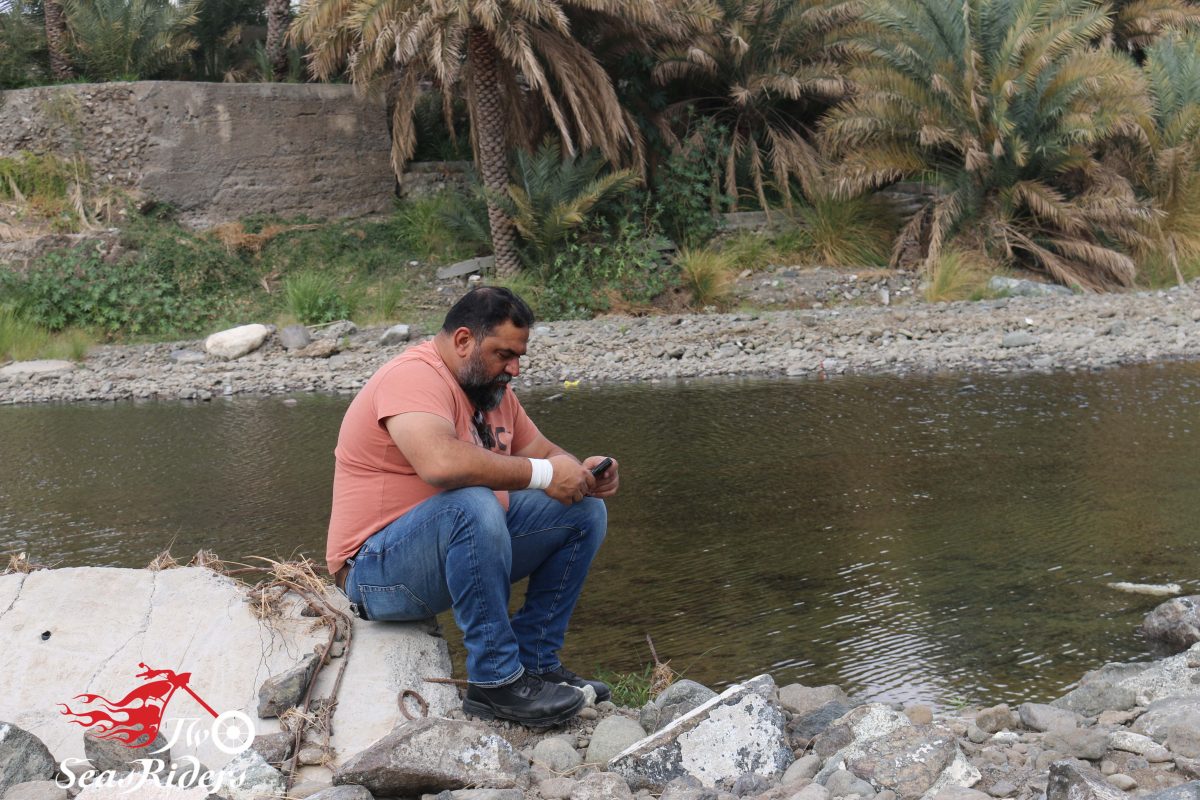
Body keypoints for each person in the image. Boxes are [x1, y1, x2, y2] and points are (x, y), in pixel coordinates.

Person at [326, 286, 619, 726]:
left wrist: (582, 472)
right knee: (470, 502)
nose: (514, 368)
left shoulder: (490, 391)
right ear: (463, 340)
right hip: (374, 576)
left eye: (518, 356)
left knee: (582, 511)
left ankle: (537, 662)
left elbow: (544, 453)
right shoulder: (412, 377)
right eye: (504, 354)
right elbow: (441, 464)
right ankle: (495, 683)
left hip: (451, 552)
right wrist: (545, 474)